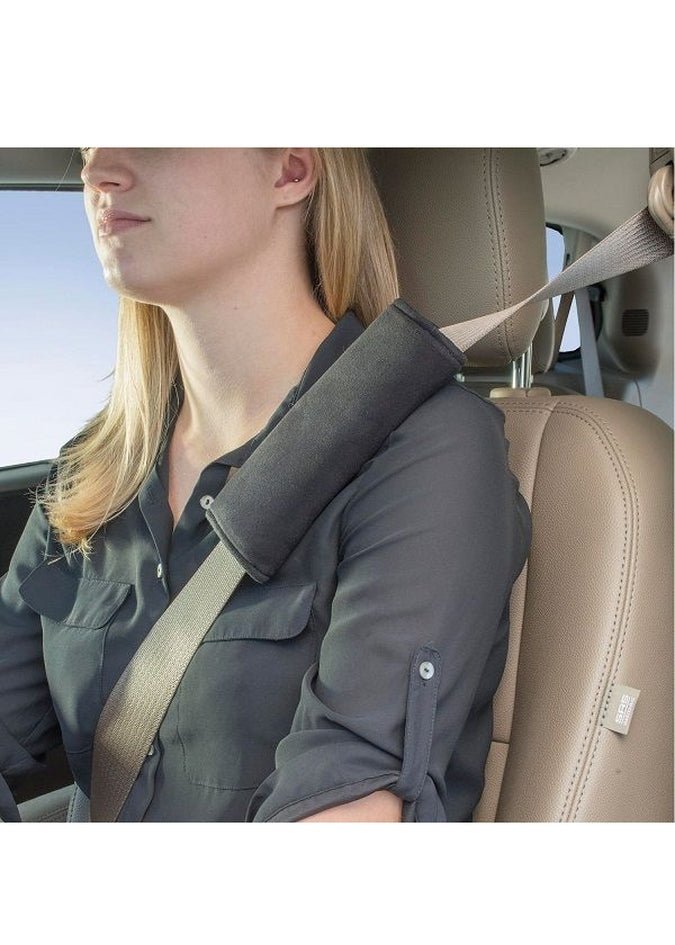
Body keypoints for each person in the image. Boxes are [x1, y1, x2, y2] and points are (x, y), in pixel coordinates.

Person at [0, 148, 532, 822]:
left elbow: (346, 808)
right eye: (88, 141)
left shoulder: (425, 450)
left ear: (289, 170)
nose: (97, 170)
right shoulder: (94, 470)